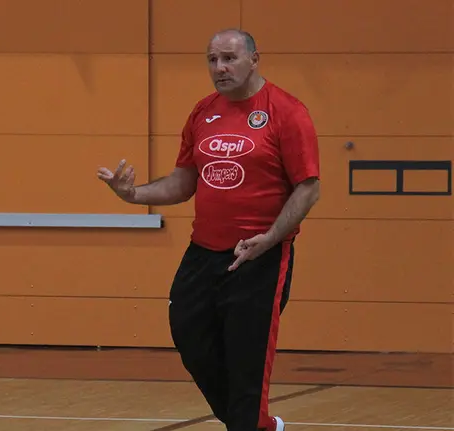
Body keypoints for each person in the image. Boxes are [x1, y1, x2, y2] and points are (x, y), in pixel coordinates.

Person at [98, 29, 320, 431]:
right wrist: (133, 194)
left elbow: (308, 187)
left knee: (246, 360)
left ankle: (249, 423)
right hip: (203, 253)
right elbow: (183, 182)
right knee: (190, 336)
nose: (220, 68)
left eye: (229, 58)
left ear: (254, 59)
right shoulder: (203, 112)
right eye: (212, 60)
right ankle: (256, 424)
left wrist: (271, 238)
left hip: (259, 255)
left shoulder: (287, 111)